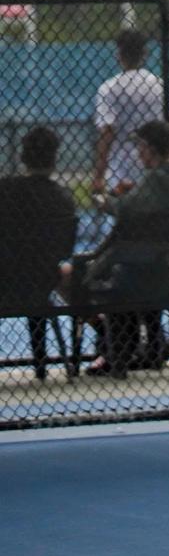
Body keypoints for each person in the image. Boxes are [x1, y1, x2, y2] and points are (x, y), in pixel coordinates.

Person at [82, 120, 169, 377]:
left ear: (149, 147)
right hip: (168, 268)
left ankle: (113, 344)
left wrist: (103, 199)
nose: (137, 152)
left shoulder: (155, 179)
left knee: (96, 273)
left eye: (140, 147)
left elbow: (124, 209)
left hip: (138, 269)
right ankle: (148, 343)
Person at [0, 128, 78, 378]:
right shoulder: (62, 199)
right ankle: (41, 362)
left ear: (23, 157)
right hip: (42, 281)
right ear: (55, 159)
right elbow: (66, 249)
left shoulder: (5, 191)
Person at [93, 29, 165, 197]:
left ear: (118, 54)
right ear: (145, 53)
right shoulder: (160, 85)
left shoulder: (109, 88)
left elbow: (107, 132)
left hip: (120, 168)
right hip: (154, 163)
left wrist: (98, 176)